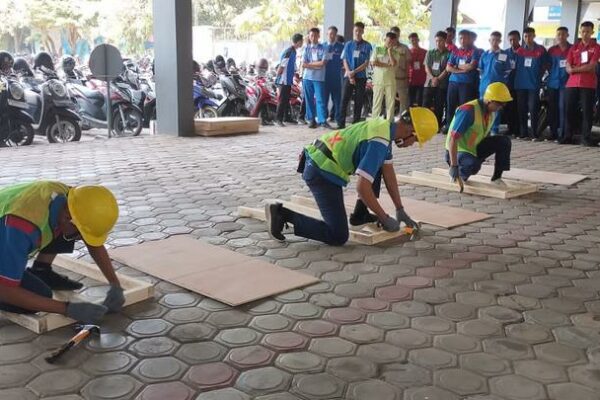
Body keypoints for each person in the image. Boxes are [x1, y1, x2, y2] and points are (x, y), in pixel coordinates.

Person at [265, 107, 439, 246]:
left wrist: (400, 210)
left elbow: (388, 172)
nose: (412, 145)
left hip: (318, 158)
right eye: (416, 140)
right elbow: (362, 187)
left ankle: (360, 214)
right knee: (338, 235)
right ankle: (282, 214)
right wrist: (385, 218)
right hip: (321, 171)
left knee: (376, 168)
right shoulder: (379, 141)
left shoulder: (384, 127)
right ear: (410, 130)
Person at [0, 182, 123, 324]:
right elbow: (4, 289)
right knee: (39, 295)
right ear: (67, 218)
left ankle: (41, 270)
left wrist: (115, 284)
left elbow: (91, 239)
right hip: (8, 227)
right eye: (80, 235)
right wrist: (67, 309)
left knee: (66, 231)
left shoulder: (72, 199)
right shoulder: (21, 227)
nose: (81, 240)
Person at [445, 82, 513, 183]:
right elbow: (452, 139)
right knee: (473, 165)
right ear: (490, 101)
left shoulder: (492, 113)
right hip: (458, 150)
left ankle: (497, 178)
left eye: (503, 104)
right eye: (500, 104)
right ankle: (459, 174)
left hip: (472, 147)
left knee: (504, 141)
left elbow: (485, 135)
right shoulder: (468, 110)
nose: (501, 107)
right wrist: (454, 166)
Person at [564, 21, 600, 146]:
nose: (585, 34)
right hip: (572, 84)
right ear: (580, 32)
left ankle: (585, 138)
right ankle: (568, 136)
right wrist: (571, 68)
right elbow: (567, 65)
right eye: (583, 31)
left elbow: (591, 66)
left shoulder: (596, 47)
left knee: (587, 111)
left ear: (592, 32)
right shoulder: (574, 47)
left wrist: (574, 69)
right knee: (569, 110)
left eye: (588, 32)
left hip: (587, 84)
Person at [514, 27, 548, 141]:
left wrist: (539, 76)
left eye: (530, 36)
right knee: (521, 109)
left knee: (533, 108)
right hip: (520, 84)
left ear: (534, 36)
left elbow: (545, 65)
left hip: (534, 84)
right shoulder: (519, 51)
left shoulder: (541, 50)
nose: (528, 38)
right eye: (525, 36)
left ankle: (535, 133)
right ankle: (523, 133)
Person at [445, 30, 481, 133]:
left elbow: (471, 66)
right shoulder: (455, 51)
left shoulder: (475, 51)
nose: (462, 40)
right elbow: (448, 68)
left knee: (464, 107)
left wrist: (456, 67)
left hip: (466, 83)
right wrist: (461, 69)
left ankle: (463, 128)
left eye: (465, 38)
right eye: (460, 38)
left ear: (470, 39)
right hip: (453, 82)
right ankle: (449, 127)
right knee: (450, 105)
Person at [478, 31, 512, 135]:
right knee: (482, 107)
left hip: (497, 87)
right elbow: (480, 70)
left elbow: (507, 71)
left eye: (497, 40)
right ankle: (482, 128)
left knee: (496, 108)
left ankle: (494, 129)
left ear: (500, 41)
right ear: (489, 40)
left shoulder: (504, 55)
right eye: (493, 40)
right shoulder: (484, 54)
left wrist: (501, 83)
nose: (494, 42)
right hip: (484, 86)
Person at [340, 22, 372, 128]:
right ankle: (341, 124)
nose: (357, 33)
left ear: (363, 31)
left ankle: (356, 124)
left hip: (361, 77)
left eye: (359, 31)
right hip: (348, 76)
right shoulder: (348, 44)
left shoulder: (367, 45)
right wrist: (349, 73)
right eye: (356, 31)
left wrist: (354, 72)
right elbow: (344, 59)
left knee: (359, 101)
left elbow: (367, 62)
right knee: (344, 99)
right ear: (354, 31)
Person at [302, 28, 331, 129]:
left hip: (319, 78)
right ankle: (311, 120)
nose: (313, 38)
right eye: (311, 36)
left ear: (319, 36)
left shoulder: (324, 48)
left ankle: (322, 120)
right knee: (309, 99)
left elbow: (323, 63)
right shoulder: (306, 49)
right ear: (309, 37)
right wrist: (316, 65)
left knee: (320, 100)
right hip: (307, 78)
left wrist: (309, 64)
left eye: (315, 35)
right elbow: (303, 64)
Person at [547, 27, 571, 142]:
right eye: (558, 34)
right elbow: (547, 65)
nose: (560, 36)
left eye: (563, 34)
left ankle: (563, 133)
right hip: (553, 83)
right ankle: (553, 132)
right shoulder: (551, 50)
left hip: (566, 84)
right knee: (552, 108)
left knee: (563, 108)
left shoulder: (572, 49)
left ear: (567, 35)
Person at [423, 31, 450, 129]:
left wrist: (438, 79)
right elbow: (427, 67)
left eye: (441, 41)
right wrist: (433, 78)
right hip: (429, 83)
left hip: (442, 84)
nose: (438, 43)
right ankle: (424, 124)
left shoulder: (449, 54)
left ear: (445, 41)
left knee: (439, 105)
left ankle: (436, 125)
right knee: (426, 104)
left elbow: (447, 69)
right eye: (437, 41)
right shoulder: (430, 52)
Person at [276, 33, 304, 127]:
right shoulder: (289, 51)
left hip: (288, 80)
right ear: (299, 41)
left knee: (287, 99)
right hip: (283, 80)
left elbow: (292, 65)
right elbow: (282, 65)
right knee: (282, 100)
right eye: (302, 41)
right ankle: (278, 119)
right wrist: (278, 78)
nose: (302, 43)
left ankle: (286, 118)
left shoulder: (294, 51)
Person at [371, 32, 399, 122]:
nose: (389, 44)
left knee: (390, 103)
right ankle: (374, 122)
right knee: (376, 103)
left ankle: (389, 123)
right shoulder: (377, 49)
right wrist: (387, 65)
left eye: (392, 42)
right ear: (385, 40)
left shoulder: (396, 53)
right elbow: (373, 62)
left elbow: (394, 64)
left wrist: (389, 52)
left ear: (395, 42)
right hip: (378, 81)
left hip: (390, 81)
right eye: (388, 41)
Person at [324, 26, 345, 128]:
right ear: (327, 34)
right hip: (324, 78)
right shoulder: (322, 46)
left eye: (333, 34)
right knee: (324, 99)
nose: (331, 36)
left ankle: (338, 120)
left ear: (336, 35)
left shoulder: (341, 47)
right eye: (330, 34)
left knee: (337, 100)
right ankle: (324, 120)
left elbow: (345, 61)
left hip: (337, 77)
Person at [390, 26, 411, 116]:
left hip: (401, 79)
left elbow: (408, 64)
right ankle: (389, 119)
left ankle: (402, 120)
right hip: (389, 78)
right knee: (389, 100)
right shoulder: (385, 48)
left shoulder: (404, 48)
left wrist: (407, 78)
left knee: (403, 101)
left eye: (397, 35)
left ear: (399, 35)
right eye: (393, 35)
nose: (395, 37)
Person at [505, 30, 521, 137]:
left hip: (520, 84)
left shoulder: (524, 51)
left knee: (518, 107)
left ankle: (518, 129)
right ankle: (510, 128)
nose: (512, 41)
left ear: (519, 39)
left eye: (514, 39)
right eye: (510, 39)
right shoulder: (505, 53)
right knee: (509, 107)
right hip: (508, 84)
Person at [408, 33, 427, 106]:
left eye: (415, 40)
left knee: (420, 100)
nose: (414, 42)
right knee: (410, 101)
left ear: (418, 40)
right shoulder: (408, 52)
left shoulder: (425, 52)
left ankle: (419, 116)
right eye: (412, 40)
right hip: (411, 79)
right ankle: (410, 116)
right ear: (410, 42)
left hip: (421, 79)